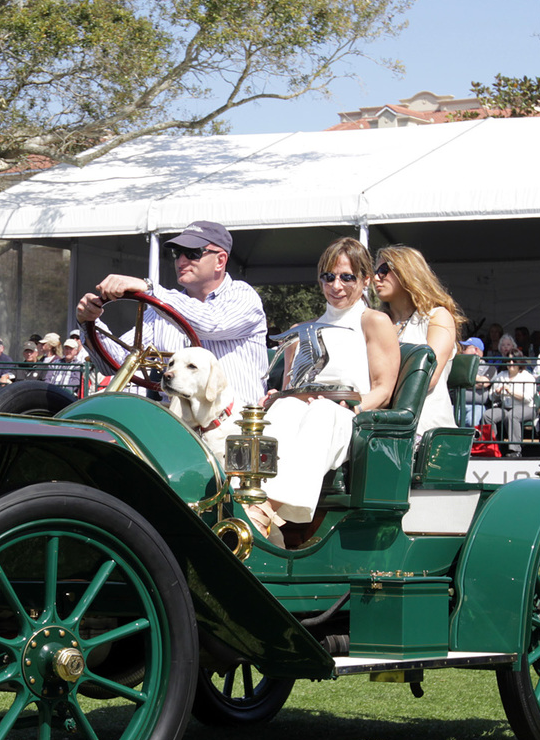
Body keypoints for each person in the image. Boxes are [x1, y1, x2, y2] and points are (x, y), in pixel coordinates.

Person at [248, 238, 398, 536]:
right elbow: (293, 385)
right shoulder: (303, 330)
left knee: (321, 412)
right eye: (328, 277)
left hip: (348, 417)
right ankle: (248, 495)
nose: (336, 286)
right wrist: (280, 395)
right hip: (307, 409)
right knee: (284, 408)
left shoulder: (375, 321)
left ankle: (261, 511)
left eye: (347, 277)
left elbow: (383, 389)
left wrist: (356, 406)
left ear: (365, 279)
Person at [76, 220, 268, 404]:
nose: (181, 261)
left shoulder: (243, 296)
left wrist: (149, 287)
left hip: (236, 427)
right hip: (178, 425)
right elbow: (113, 364)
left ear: (220, 260)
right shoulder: (160, 309)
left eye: (193, 253)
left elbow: (210, 323)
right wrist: (89, 323)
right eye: (178, 253)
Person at [371, 244, 463, 437]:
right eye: (375, 271)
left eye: (384, 270)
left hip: (424, 428)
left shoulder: (437, 317)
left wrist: (379, 390)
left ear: (407, 272)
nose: (376, 277)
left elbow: (428, 377)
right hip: (377, 423)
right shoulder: (376, 322)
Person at [483, 348, 537, 456]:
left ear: (519, 362)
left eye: (514, 361)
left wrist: (510, 391)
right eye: (508, 361)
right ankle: (492, 446)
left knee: (513, 415)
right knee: (488, 415)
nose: (511, 363)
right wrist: (497, 393)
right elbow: (491, 397)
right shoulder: (501, 375)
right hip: (505, 407)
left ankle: (515, 450)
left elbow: (528, 398)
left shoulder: (527, 376)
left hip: (526, 408)